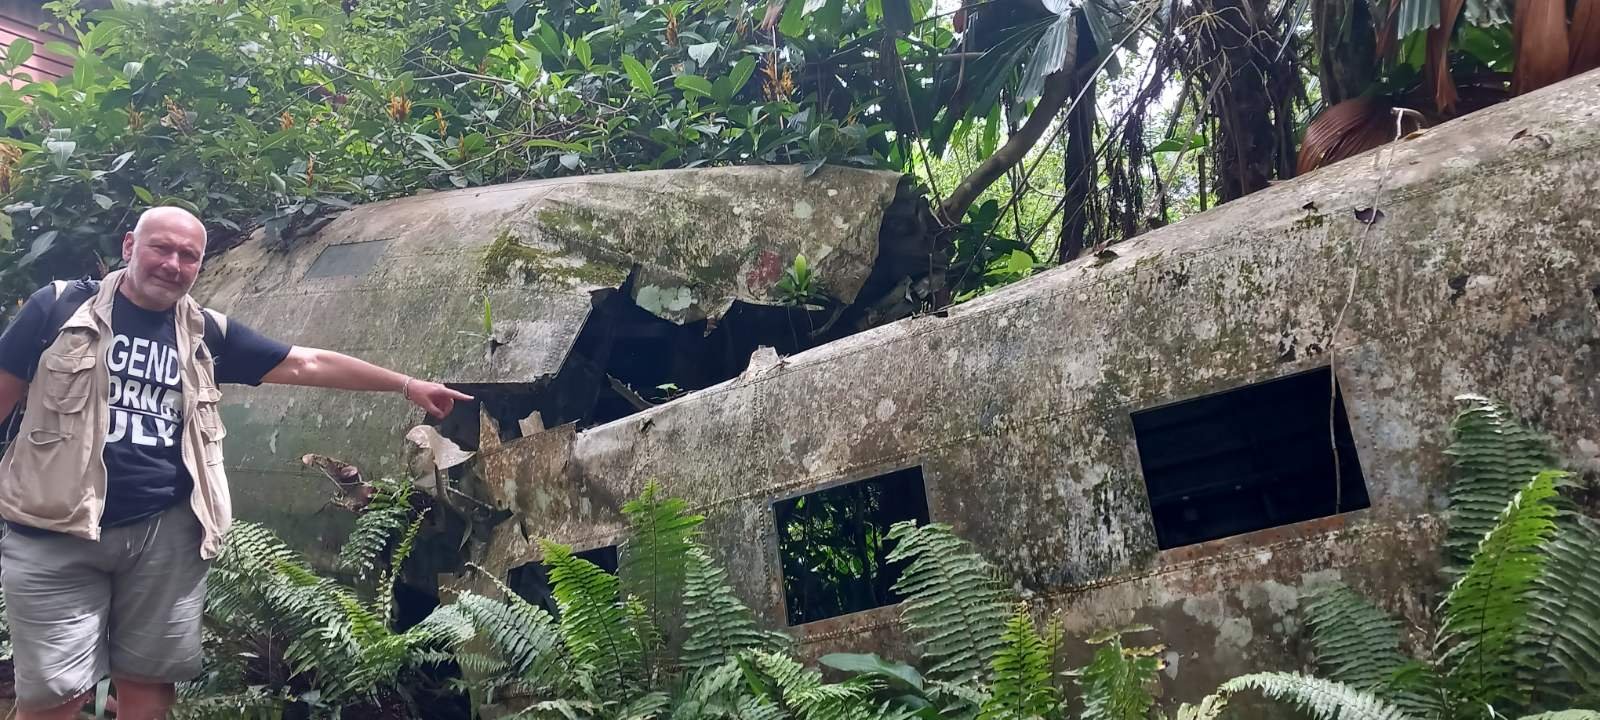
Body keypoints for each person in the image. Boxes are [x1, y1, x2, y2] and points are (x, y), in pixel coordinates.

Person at [0, 206, 472, 720]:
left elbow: (304, 361)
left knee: (150, 680)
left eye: (189, 256)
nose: (173, 264)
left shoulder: (205, 333)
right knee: (56, 693)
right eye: (161, 248)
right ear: (131, 245)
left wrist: (406, 385)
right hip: (56, 528)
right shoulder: (59, 309)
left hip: (166, 533)